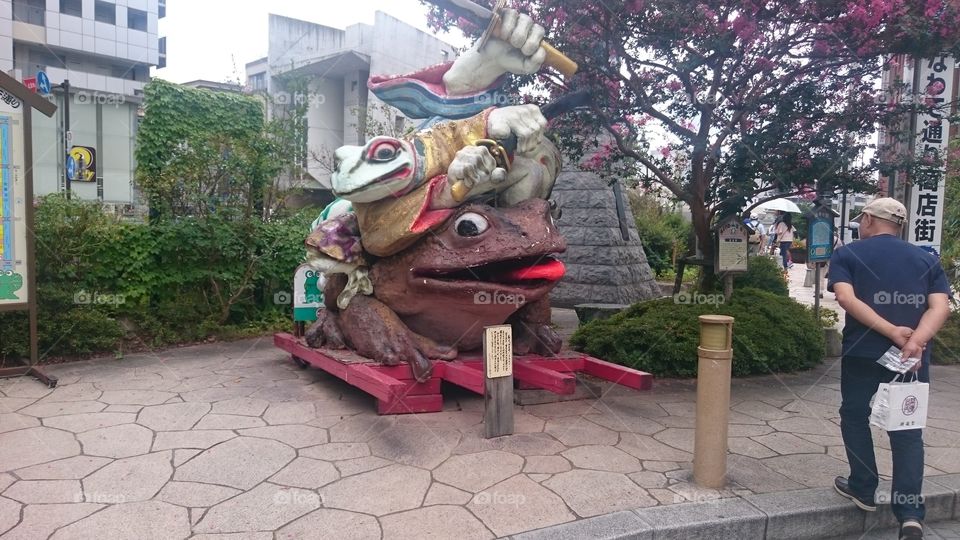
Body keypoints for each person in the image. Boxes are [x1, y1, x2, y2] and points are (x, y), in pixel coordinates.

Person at [827, 198, 951, 540]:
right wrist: (915, 340)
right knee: (907, 430)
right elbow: (941, 306)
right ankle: (910, 514)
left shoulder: (848, 254)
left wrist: (891, 332)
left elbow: (847, 299)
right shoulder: (927, 259)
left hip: (862, 354)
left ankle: (864, 488)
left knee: (854, 414)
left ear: (867, 219)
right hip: (910, 359)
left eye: (860, 221)